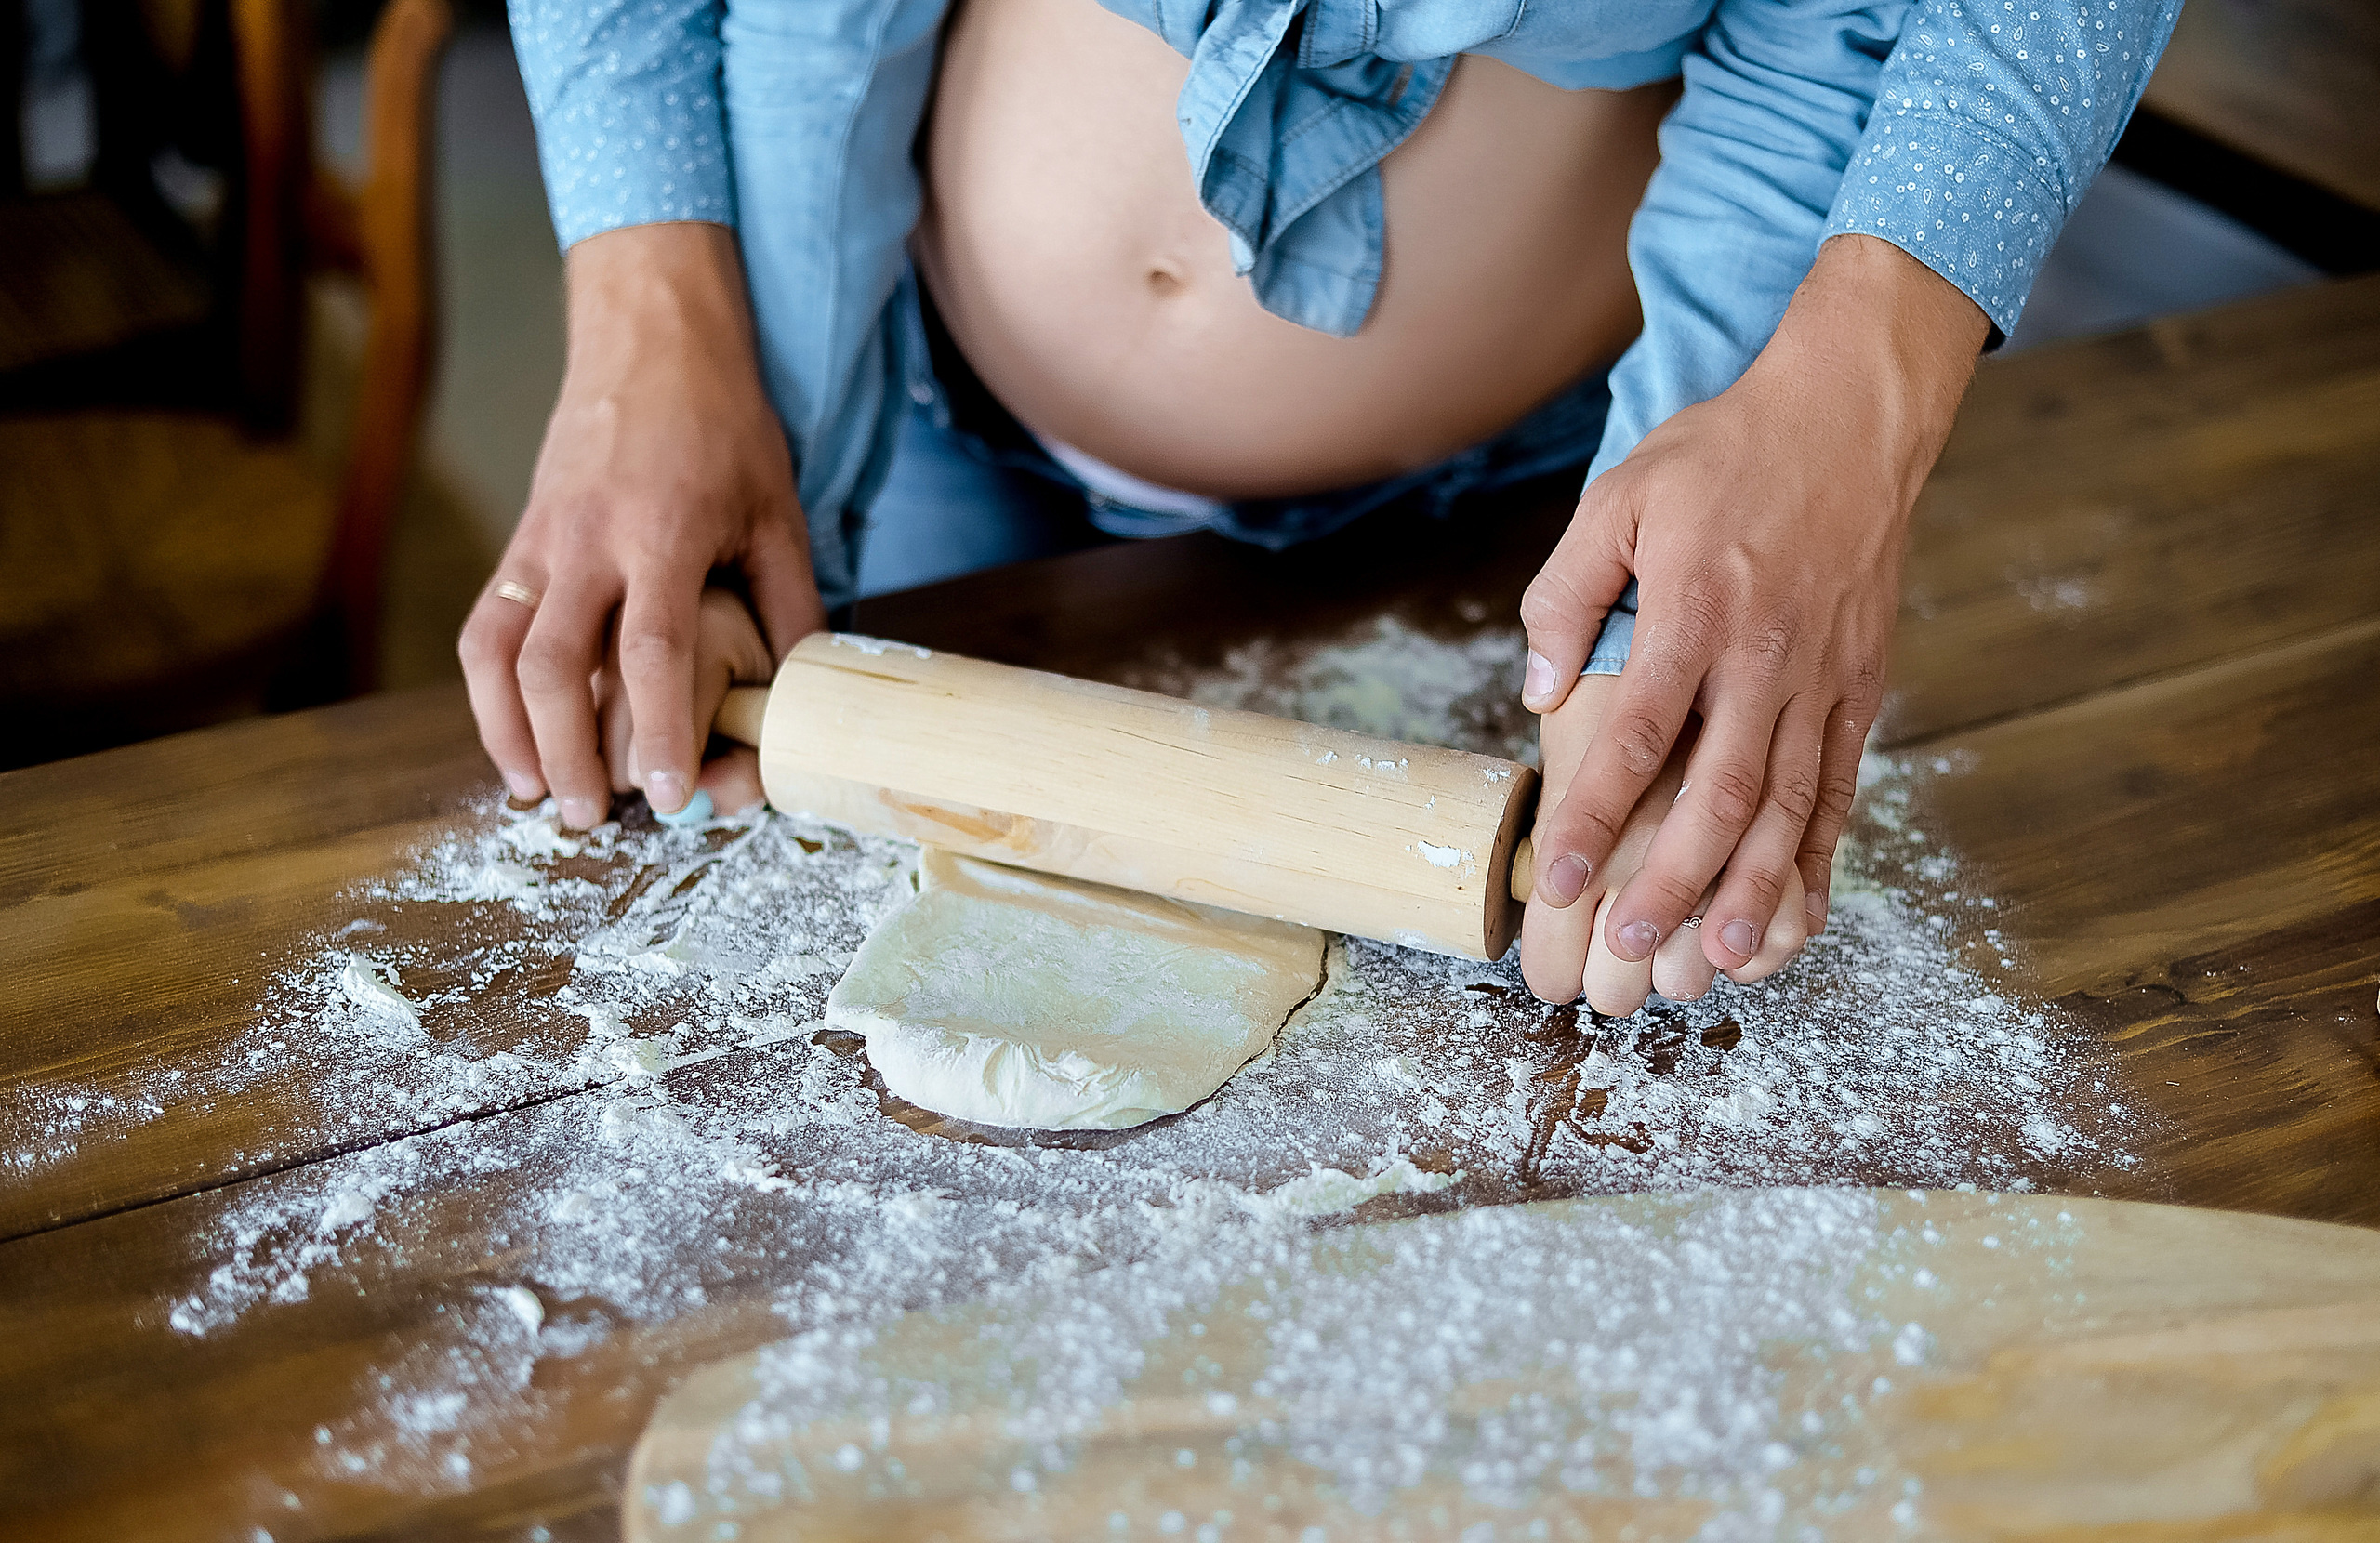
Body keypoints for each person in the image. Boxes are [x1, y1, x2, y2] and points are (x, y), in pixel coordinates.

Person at [462, 0, 2179, 1011]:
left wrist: (1857, 387)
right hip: (855, 431)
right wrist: (649, 315)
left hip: (1554, 529)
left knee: (1619, 931)